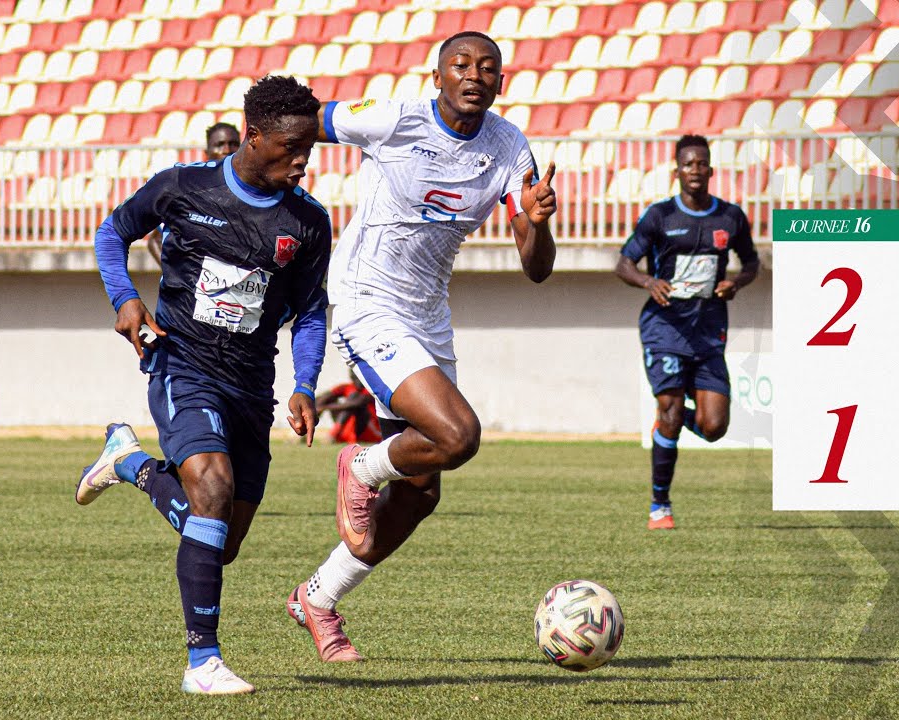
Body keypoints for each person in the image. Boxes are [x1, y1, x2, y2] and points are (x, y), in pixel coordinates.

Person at [284, 31, 558, 662]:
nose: (474, 75)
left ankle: (317, 598)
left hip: (427, 316)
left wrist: (539, 224)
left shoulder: (509, 148)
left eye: (487, 68)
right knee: (459, 435)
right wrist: (265, 185)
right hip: (367, 300)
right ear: (437, 77)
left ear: (500, 83)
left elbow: (537, 266)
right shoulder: (393, 119)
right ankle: (360, 466)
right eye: (460, 64)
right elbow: (304, 122)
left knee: (421, 491)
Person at [76, 76, 330, 694]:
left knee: (221, 541)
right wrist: (125, 298)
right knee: (212, 489)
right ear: (253, 136)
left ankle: (130, 463)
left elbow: (311, 312)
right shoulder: (183, 188)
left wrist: (305, 383)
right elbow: (112, 232)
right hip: (183, 364)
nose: (303, 160)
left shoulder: (308, 221)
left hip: (252, 385)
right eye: (291, 147)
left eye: (310, 148)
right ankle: (203, 664)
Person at [615, 134, 760, 530]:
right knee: (670, 408)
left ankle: (672, 420)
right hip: (665, 329)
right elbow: (624, 264)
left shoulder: (730, 217)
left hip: (709, 331)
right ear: (676, 171)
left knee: (715, 427)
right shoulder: (660, 216)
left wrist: (736, 282)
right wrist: (648, 282)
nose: (695, 170)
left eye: (701, 164)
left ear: (711, 170)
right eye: (688, 164)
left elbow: (752, 262)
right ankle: (659, 505)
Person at [146, 122, 242, 265]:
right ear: (207, 152)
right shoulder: (191, 188)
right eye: (219, 144)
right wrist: (174, 272)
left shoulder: (254, 189)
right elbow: (155, 240)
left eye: (233, 144)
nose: (227, 150)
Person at [315, 373, 382, 444]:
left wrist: (324, 407)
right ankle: (309, 430)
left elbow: (356, 403)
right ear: (352, 377)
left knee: (353, 400)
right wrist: (318, 408)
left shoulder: (371, 390)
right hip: (350, 428)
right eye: (357, 378)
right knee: (330, 400)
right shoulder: (347, 387)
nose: (359, 381)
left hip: (370, 431)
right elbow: (322, 398)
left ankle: (333, 434)